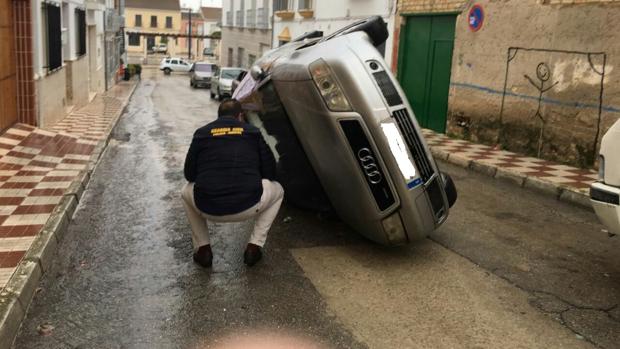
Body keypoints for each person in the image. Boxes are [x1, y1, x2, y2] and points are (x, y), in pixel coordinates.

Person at [181, 99, 284, 267]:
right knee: (279, 190)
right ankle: (254, 246)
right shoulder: (253, 132)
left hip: (207, 206)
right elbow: (270, 172)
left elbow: (189, 175)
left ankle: (203, 249)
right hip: (249, 204)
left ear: (218, 116)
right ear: (240, 116)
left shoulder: (202, 133)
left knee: (185, 192)